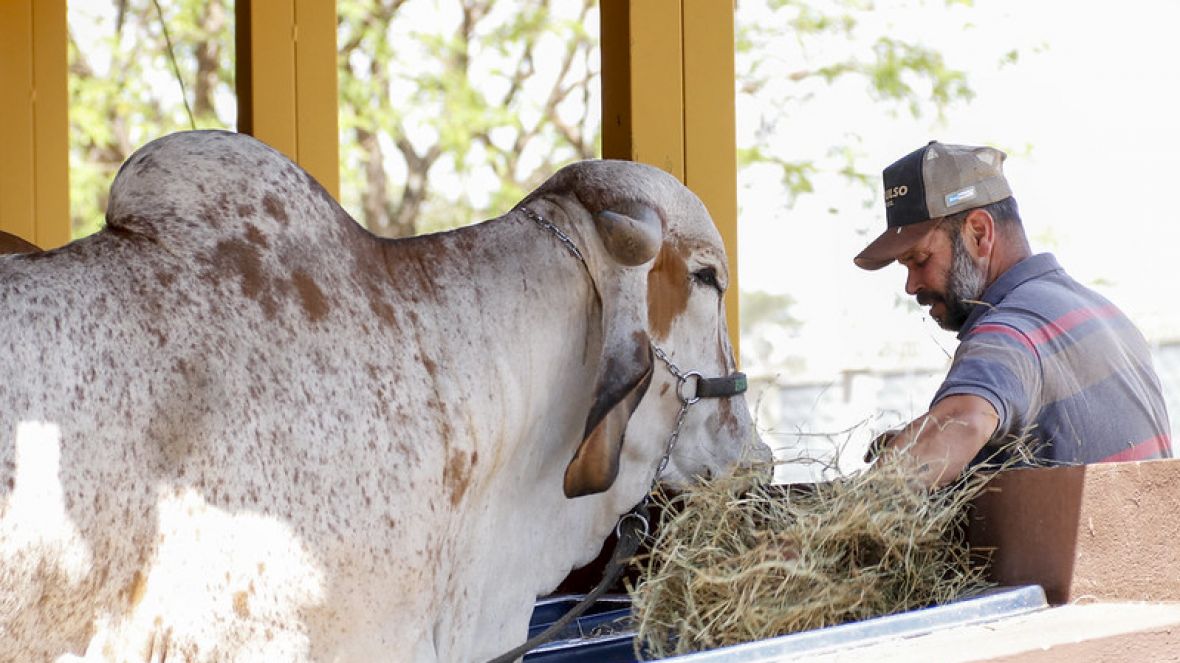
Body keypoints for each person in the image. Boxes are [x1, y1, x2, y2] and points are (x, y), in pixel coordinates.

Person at [855, 140, 1171, 487]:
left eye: (920, 260)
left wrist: (850, 521)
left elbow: (964, 420)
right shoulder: (1105, 315)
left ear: (979, 233)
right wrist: (911, 445)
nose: (911, 285)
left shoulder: (1009, 331)